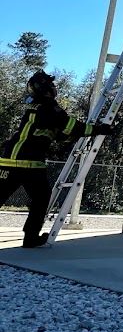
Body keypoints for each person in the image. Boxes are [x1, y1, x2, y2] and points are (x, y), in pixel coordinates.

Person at [0, 72, 112, 247]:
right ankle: (30, 238)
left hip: (8, 161)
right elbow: (71, 126)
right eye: (51, 86)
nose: (54, 88)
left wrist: (70, 137)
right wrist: (99, 129)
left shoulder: (36, 107)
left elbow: (57, 133)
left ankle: (31, 238)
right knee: (41, 199)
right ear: (46, 90)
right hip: (30, 164)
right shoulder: (50, 107)